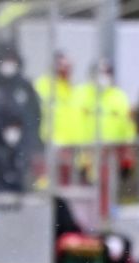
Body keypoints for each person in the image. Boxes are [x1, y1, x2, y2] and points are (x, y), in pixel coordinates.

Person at [34, 50, 97, 183]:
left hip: (73, 152)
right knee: (49, 187)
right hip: (50, 148)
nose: (66, 71)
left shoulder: (74, 91)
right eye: (62, 66)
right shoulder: (42, 87)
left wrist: (85, 155)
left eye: (68, 67)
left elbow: (80, 122)